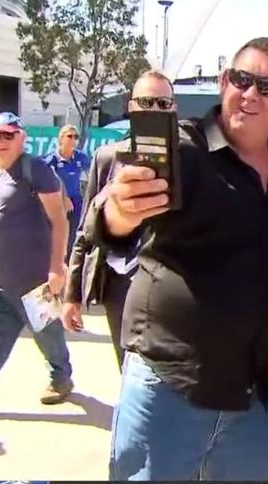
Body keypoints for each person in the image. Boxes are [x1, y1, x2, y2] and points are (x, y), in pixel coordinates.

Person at [82, 37, 268, 481]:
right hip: (169, 389)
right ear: (224, 81)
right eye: (242, 79)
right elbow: (109, 223)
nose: (251, 94)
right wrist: (121, 211)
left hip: (250, 398)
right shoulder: (181, 151)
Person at [61, 70, 177, 371]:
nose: (155, 110)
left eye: (164, 104)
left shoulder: (190, 159)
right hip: (119, 284)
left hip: (170, 287)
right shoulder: (108, 157)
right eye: (147, 102)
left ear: (174, 109)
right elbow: (85, 230)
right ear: (132, 106)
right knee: (127, 369)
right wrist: (72, 294)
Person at [0, 112, 72, 416]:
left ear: (22, 137)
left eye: (10, 135)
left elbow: (59, 219)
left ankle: (61, 377)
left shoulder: (36, 170)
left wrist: (57, 267)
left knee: (49, 337)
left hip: (35, 282)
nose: (3, 141)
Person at [43, 125, 91, 260]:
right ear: (61, 139)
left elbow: (92, 173)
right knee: (56, 233)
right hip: (57, 199)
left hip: (76, 200)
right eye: (70, 136)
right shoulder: (52, 159)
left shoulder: (81, 157)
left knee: (75, 233)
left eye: (76, 137)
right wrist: (63, 197)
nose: (73, 140)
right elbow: (49, 180)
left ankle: (70, 263)